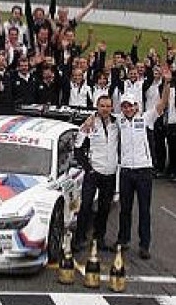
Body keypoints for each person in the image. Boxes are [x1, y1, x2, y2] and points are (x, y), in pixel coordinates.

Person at [116, 75, 170, 260]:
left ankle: (144, 245)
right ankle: (123, 240)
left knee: (144, 209)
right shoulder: (118, 121)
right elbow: (100, 115)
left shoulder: (146, 118)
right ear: (121, 107)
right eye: (125, 106)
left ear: (136, 106)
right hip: (125, 171)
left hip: (144, 170)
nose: (128, 109)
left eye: (131, 105)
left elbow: (162, 104)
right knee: (125, 208)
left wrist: (167, 83)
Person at [72, 94, 119, 253]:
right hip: (93, 172)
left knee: (105, 208)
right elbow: (77, 149)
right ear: (97, 107)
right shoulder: (89, 124)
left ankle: (100, 239)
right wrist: (88, 168)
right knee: (85, 206)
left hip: (110, 173)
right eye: (102, 106)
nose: (105, 109)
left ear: (112, 107)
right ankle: (79, 239)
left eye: (108, 106)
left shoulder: (117, 122)